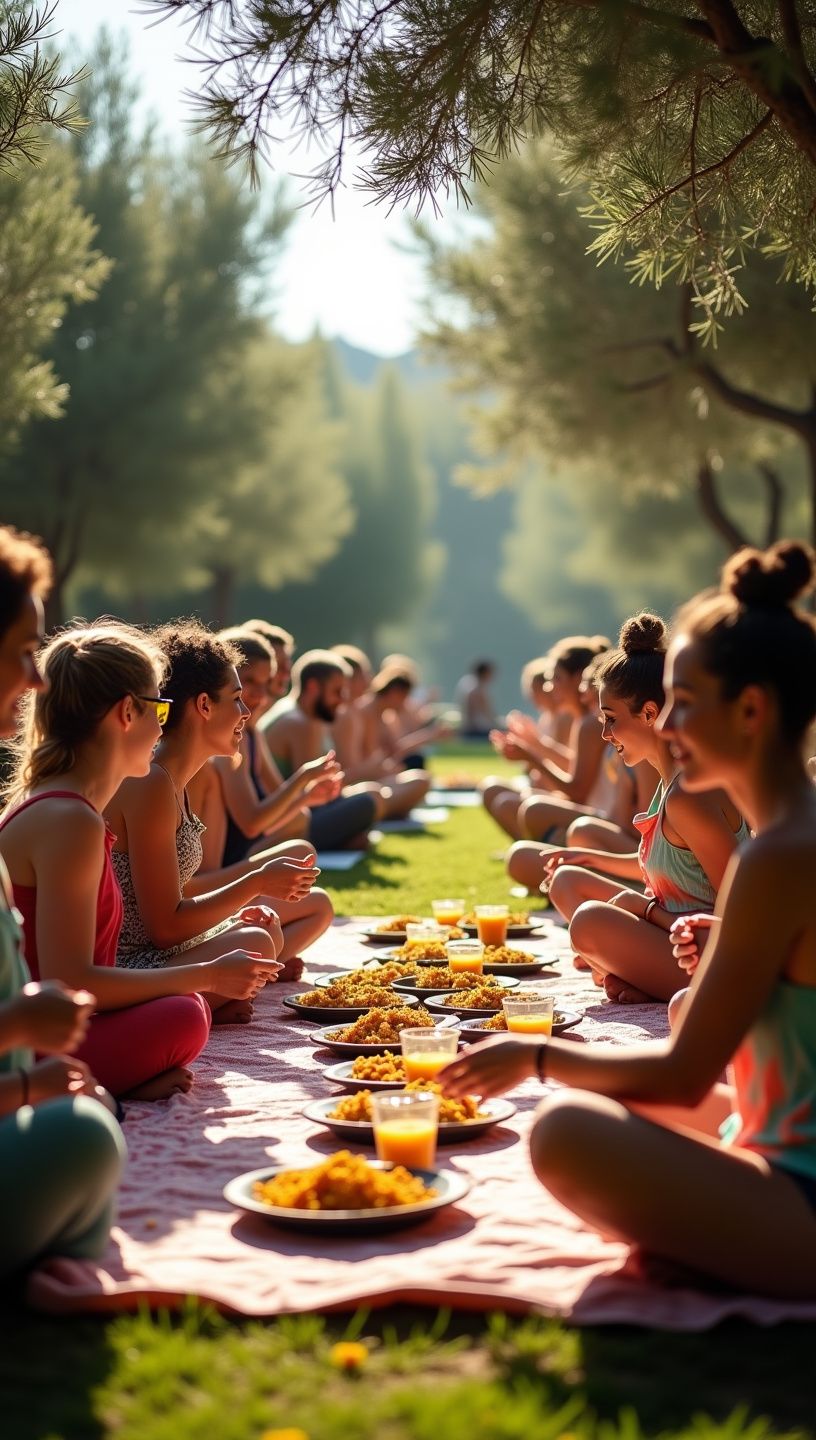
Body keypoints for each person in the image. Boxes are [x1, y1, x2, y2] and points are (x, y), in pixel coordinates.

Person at [443, 541, 816, 1299]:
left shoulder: (777, 857)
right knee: (609, 1096)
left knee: (563, 1128)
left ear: (751, 710)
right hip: (770, 1126)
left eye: (685, 702)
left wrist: (533, 1057)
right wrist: (729, 943)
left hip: (801, 1194)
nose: (667, 723)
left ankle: (728, 1244)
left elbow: (683, 1076)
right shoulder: (786, 841)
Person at [0, 621, 278, 1100]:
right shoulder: (70, 819)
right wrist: (210, 976)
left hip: (64, 1023)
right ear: (127, 712)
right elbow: (70, 981)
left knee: (187, 1007)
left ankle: (133, 1076)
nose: (162, 726)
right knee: (186, 1014)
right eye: (159, 708)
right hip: (40, 1046)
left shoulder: (69, 807)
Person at [0, 524, 124, 1276]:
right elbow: (79, 972)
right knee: (86, 1136)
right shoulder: (70, 816)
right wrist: (22, 1055)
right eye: (23, 652)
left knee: (87, 1121)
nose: (36, 680)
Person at [526, 613, 748, 1002]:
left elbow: (742, 911)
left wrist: (647, 912)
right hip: (674, 934)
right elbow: (675, 865)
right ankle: (637, 975)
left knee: (589, 922)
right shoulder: (670, 784)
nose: (605, 734)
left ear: (649, 713)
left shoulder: (689, 795)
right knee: (568, 880)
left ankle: (638, 974)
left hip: (716, 958)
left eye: (611, 719)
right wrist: (588, 858)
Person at [105, 622, 323, 1012]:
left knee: (263, 933)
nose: (246, 711)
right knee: (257, 942)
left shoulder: (175, 779)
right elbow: (164, 929)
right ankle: (220, 999)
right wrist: (257, 881)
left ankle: (226, 998)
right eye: (236, 698)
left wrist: (241, 910)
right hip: (130, 966)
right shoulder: (152, 781)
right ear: (204, 705)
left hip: (158, 952)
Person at [185, 626, 337, 970]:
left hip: (213, 889)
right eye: (245, 687)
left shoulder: (245, 736)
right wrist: (303, 781)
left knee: (316, 899)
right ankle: (259, 964)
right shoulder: (207, 766)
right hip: (201, 902)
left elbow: (272, 797)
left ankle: (266, 966)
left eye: (265, 684)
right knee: (299, 857)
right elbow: (250, 824)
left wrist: (306, 795)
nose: (260, 698)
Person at [481, 636, 610, 841]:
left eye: (556, 678)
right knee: (503, 794)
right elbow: (575, 768)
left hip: (598, 815)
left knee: (526, 807)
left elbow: (577, 791)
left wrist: (532, 755)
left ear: (578, 678)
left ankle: (540, 850)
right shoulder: (583, 721)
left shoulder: (590, 722)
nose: (549, 688)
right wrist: (534, 745)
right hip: (593, 812)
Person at [261, 649, 382, 848]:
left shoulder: (304, 715)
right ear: (313, 687)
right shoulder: (299, 723)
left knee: (372, 795)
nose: (343, 699)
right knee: (370, 800)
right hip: (283, 820)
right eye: (337, 691)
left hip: (292, 813)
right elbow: (310, 795)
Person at [330, 655, 431, 818]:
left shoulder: (368, 713)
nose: (370, 680)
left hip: (369, 782)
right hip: (355, 786)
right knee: (377, 794)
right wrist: (378, 767)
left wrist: (383, 767)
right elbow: (349, 773)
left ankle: (376, 810)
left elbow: (394, 749)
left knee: (420, 780)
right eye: (364, 675)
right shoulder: (351, 715)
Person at [455, 660, 497, 738]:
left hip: (469, 728)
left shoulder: (466, 682)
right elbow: (485, 711)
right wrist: (495, 724)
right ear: (485, 673)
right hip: (477, 730)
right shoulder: (477, 688)